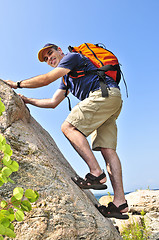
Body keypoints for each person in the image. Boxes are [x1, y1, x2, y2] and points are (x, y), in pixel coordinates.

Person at [5, 43, 129, 219]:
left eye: (50, 54)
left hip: (102, 94)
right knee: (107, 150)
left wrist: (17, 84)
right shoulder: (66, 79)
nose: (49, 59)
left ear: (60, 51)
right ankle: (120, 203)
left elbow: (47, 78)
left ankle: (96, 173)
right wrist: (28, 100)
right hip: (111, 99)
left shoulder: (73, 58)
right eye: (46, 59)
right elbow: (53, 102)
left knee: (68, 127)